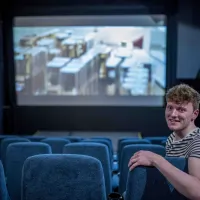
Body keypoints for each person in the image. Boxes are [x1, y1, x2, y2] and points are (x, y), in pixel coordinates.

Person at [128, 84, 200, 200]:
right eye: (170, 107)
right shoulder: (172, 138)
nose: (173, 114)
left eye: (181, 109)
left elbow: (197, 191)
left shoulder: (197, 140)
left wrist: (156, 159)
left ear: (194, 114)